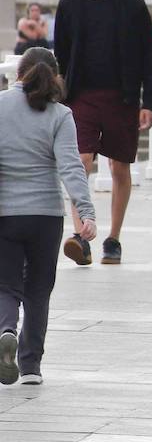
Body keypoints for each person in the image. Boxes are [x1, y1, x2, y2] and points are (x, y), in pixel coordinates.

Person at [52, 0, 152, 266]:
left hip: (122, 97)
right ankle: (81, 235)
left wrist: (148, 102)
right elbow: (61, 56)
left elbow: (147, 58)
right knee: (79, 161)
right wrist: (57, 96)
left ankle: (113, 238)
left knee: (120, 167)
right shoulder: (70, 3)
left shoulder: (133, 4)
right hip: (80, 96)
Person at [0, 49, 97, 386]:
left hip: (6, 214)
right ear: (54, 76)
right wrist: (85, 213)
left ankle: (6, 329)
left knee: (7, 286)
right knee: (39, 291)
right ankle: (30, 367)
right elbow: (72, 166)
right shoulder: (61, 114)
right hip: (45, 215)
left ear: (18, 73)